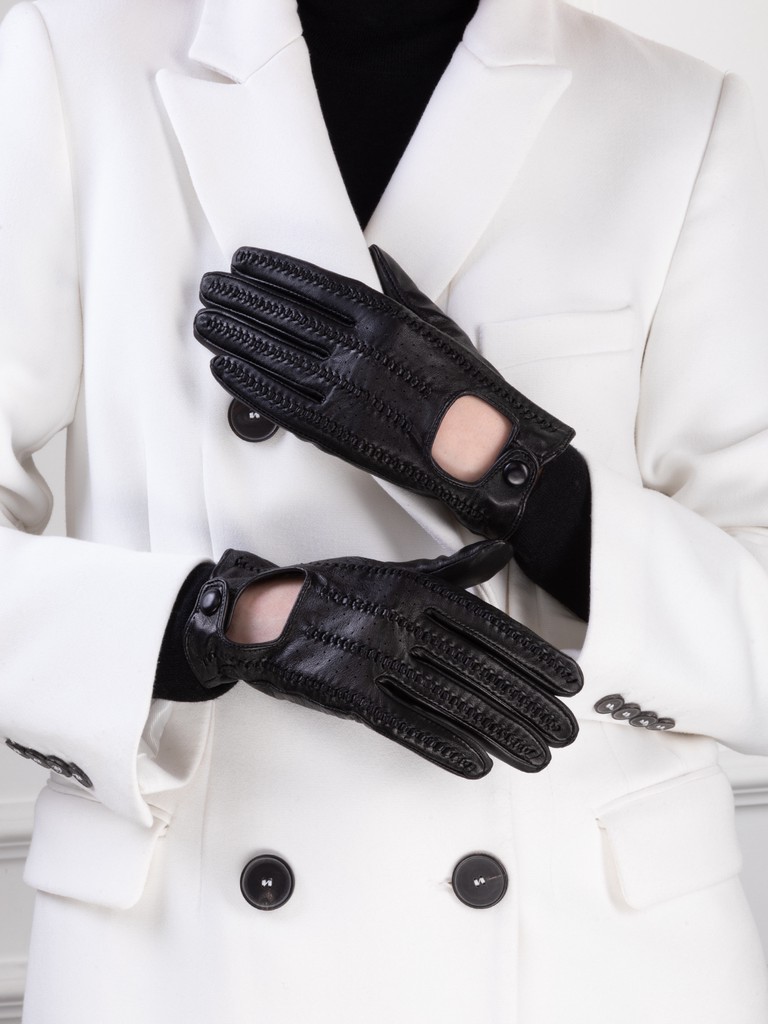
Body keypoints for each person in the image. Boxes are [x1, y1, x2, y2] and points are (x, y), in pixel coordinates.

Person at [1, 0, 767, 1021]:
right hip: (187, 955)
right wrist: (223, 621)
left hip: (586, 961)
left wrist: (512, 469)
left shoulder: (676, 114)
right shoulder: (70, 64)